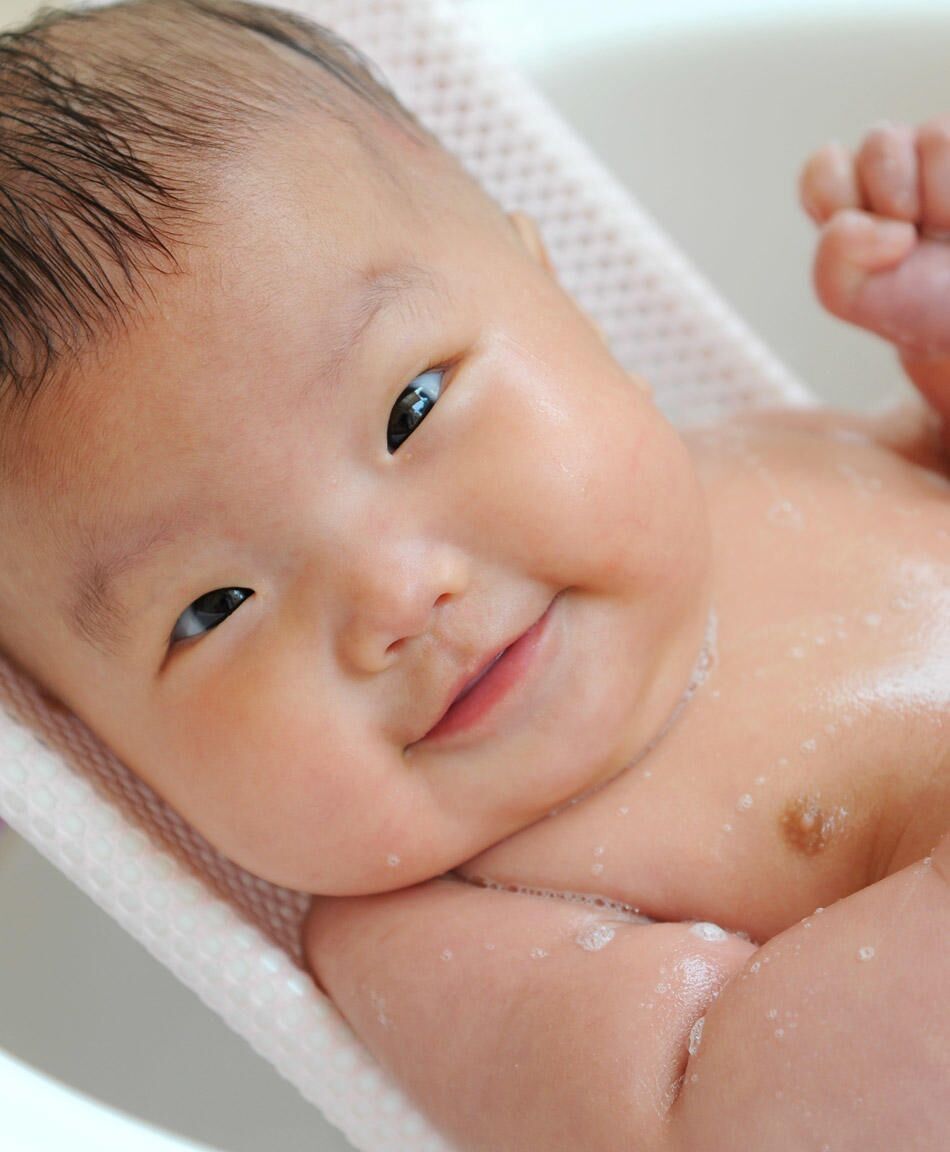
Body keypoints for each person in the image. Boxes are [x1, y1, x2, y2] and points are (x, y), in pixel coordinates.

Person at [0, 2, 945, 1148]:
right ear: (90, 733)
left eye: (412, 408)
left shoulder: (786, 456)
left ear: (549, 285)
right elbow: (718, 1117)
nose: (396, 598)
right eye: (213, 608)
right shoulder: (442, 933)